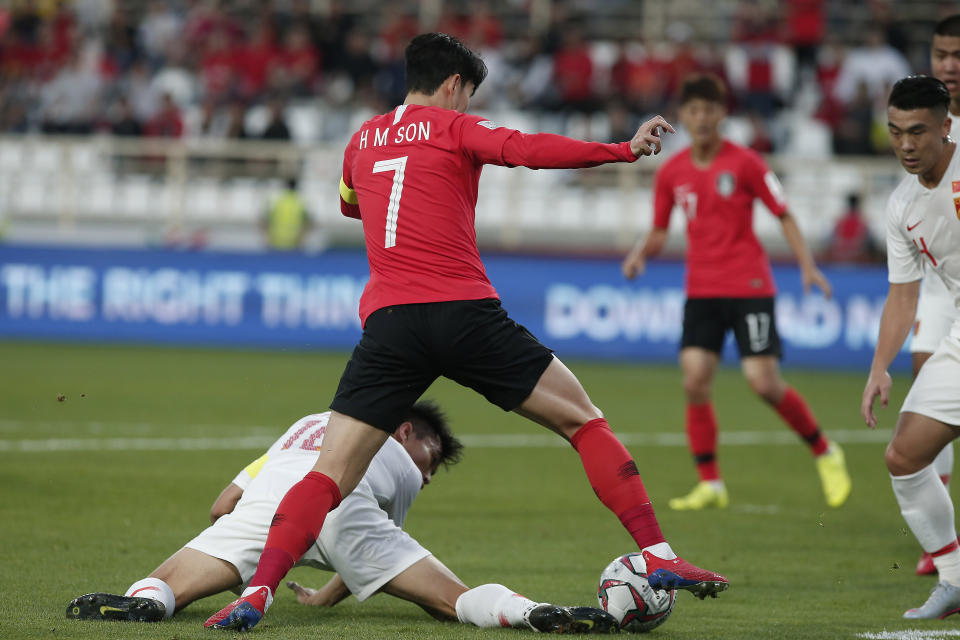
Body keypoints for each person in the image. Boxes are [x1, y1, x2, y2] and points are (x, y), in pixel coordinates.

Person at [206, 32, 728, 632]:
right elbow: (528, 149)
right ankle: (659, 556)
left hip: (390, 325)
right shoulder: (454, 128)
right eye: (467, 94)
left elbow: (351, 203)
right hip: (462, 310)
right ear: (454, 85)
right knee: (583, 420)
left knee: (326, 476)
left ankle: (258, 594)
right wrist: (621, 149)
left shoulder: (361, 140)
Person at [65, 403, 616, 633]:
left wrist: (232, 547)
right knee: (452, 602)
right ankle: (531, 612)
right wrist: (329, 592)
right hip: (342, 499)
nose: (426, 476)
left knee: (166, 584)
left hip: (272, 498)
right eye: (431, 459)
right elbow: (360, 547)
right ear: (406, 432)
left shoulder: (307, 423)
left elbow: (221, 505)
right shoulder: (397, 459)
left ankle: (146, 601)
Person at [621, 73, 851, 512]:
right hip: (702, 289)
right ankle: (710, 483)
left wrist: (807, 266)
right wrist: (639, 255)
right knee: (694, 381)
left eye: (710, 110)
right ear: (683, 116)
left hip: (749, 285)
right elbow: (657, 230)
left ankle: (825, 450)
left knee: (763, 383)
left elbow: (783, 214)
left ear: (722, 114)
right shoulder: (672, 171)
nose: (702, 118)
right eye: (693, 111)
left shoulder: (746, 163)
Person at [861, 75, 960, 620]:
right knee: (903, 456)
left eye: (917, 131)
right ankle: (954, 575)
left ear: (947, 127)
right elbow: (903, 298)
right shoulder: (901, 206)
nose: (904, 144)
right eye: (895, 131)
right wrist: (879, 367)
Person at [911, 15, 960, 577]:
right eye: (940, 51)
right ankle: (940, 539)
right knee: (928, 387)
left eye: (957, 53)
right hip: (938, 277)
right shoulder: (920, 107)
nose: (948, 62)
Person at [261, 177, 312, 251]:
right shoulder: (301, 203)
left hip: (276, 241)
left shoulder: (277, 201)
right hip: (294, 242)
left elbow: (265, 220)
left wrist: (267, 237)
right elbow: (309, 223)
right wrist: (302, 238)